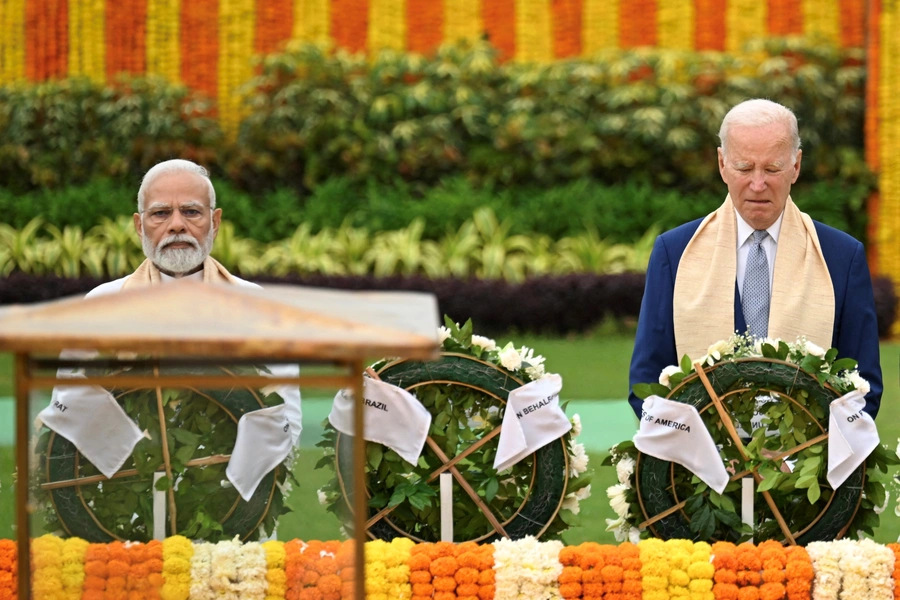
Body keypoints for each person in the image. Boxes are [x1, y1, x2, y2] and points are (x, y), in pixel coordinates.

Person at [40, 159, 302, 482]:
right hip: (126, 499)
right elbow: (67, 408)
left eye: (191, 212)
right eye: (161, 213)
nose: (177, 225)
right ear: (139, 225)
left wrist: (227, 485)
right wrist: (141, 464)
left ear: (215, 222)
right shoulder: (100, 307)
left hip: (229, 500)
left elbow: (285, 417)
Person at [628, 99, 882, 419]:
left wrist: (808, 456)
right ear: (722, 164)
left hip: (807, 465)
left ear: (796, 166)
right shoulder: (674, 253)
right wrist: (701, 453)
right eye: (744, 168)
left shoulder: (841, 259)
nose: (758, 184)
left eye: (772, 169)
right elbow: (647, 383)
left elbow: (863, 388)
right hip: (700, 463)